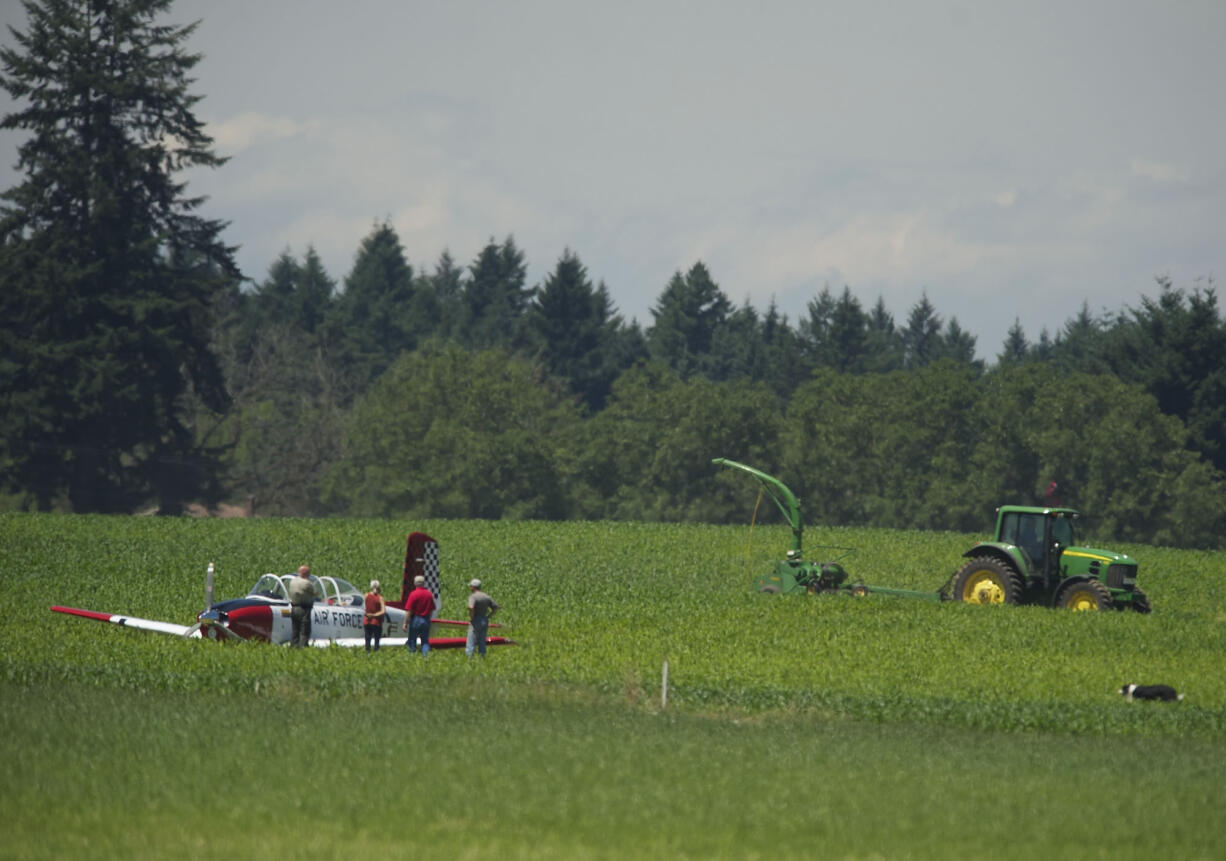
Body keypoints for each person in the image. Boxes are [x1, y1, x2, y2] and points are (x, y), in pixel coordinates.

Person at [466, 578, 500, 658]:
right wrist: (489, 616)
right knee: (482, 642)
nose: (470, 588)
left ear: (473, 587)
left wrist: (471, 617)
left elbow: (471, 607)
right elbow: (495, 607)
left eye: (471, 586)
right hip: (484, 620)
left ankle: (469, 659)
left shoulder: (473, 597)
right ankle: (482, 658)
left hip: (476, 620)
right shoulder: (486, 596)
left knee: (471, 642)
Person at [403, 574, 436, 655]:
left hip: (415, 619)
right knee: (425, 641)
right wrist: (428, 618)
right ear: (424, 583)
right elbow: (432, 609)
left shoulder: (413, 594)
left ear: (415, 583)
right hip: (426, 619)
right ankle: (426, 656)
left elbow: (409, 610)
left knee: (412, 640)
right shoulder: (429, 594)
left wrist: (405, 622)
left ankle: (412, 656)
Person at [286, 565, 315, 648]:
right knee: (304, 631)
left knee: (295, 630)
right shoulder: (306, 583)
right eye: (308, 573)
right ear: (305, 573)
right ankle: (303, 649)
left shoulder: (292, 581)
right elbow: (314, 592)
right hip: (304, 609)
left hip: (294, 608)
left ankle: (293, 647)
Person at [363, 579, 386, 652]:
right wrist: (374, 615)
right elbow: (383, 611)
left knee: (367, 638)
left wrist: (368, 614)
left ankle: (367, 651)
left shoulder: (366, 595)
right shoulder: (380, 598)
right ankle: (376, 651)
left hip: (367, 620)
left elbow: (363, 607)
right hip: (376, 621)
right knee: (377, 638)